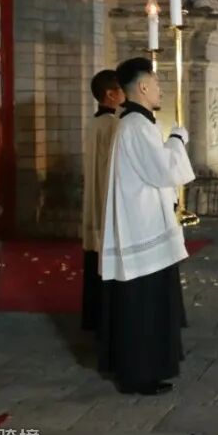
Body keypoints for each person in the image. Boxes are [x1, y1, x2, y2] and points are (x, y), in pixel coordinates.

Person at [99, 57, 195, 395]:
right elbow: (164, 171)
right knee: (144, 306)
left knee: (149, 304)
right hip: (142, 229)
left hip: (145, 224)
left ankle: (149, 368)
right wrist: (177, 139)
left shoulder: (135, 124)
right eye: (155, 83)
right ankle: (139, 373)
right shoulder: (137, 126)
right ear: (142, 86)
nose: (160, 89)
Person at [81, 70, 125, 332]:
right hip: (105, 200)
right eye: (122, 90)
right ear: (110, 94)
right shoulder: (113, 125)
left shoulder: (94, 122)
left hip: (95, 201)